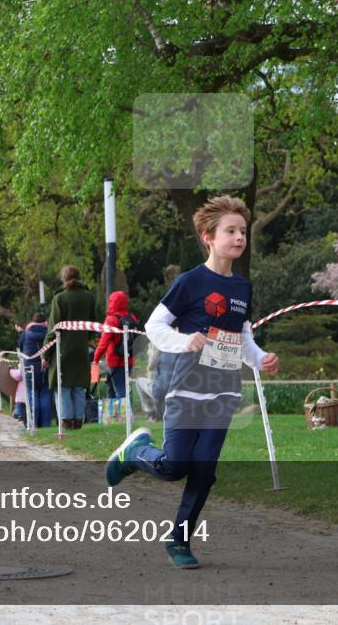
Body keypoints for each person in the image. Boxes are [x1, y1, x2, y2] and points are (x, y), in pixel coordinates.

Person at [105, 195, 280, 569]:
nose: (239, 237)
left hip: (224, 392)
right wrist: (185, 341)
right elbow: (154, 326)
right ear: (208, 237)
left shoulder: (243, 288)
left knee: (203, 471)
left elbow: (242, 337)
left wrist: (261, 359)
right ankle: (134, 453)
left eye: (243, 231)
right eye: (230, 231)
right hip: (186, 389)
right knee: (174, 466)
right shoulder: (190, 282)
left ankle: (179, 542)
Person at [41, 266, 96, 430]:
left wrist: (45, 352)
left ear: (63, 279)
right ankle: (78, 421)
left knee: (63, 386)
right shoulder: (89, 297)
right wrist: (85, 339)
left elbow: (54, 328)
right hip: (81, 349)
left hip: (62, 349)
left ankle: (66, 422)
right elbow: (92, 324)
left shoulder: (60, 298)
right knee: (79, 386)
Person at [136, 264, 181, 421]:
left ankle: (153, 414)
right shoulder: (186, 298)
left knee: (150, 381)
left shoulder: (168, 300)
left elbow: (153, 362)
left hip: (165, 342)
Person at [92, 290, 139, 402]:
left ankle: (126, 416)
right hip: (129, 359)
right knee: (122, 388)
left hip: (115, 360)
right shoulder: (132, 317)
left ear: (112, 302)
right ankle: (116, 416)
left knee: (120, 390)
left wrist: (96, 359)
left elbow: (103, 343)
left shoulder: (111, 320)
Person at [18, 312, 53, 428]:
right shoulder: (50, 334)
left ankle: (33, 423)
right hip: (45, 367)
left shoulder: (26, 334)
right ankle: (46, 423)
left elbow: (20, 347)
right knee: (45, 394)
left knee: (32, 393)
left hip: (29, 368)